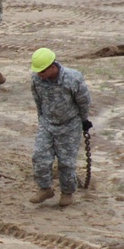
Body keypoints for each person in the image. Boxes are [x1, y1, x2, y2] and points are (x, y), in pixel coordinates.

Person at [28, 48, 92, 207]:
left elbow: (84, 101)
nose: (40, 74)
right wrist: (41, 119)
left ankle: (67, 192)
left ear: (52, 66)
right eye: (38, 71)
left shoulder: (73, 78)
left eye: (42, 71)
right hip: (47, 124)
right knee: (39, 156)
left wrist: (84, 121)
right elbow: (38, 101)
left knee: (66, 162)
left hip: (70, 125)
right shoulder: (36, 80)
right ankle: (45, 189)